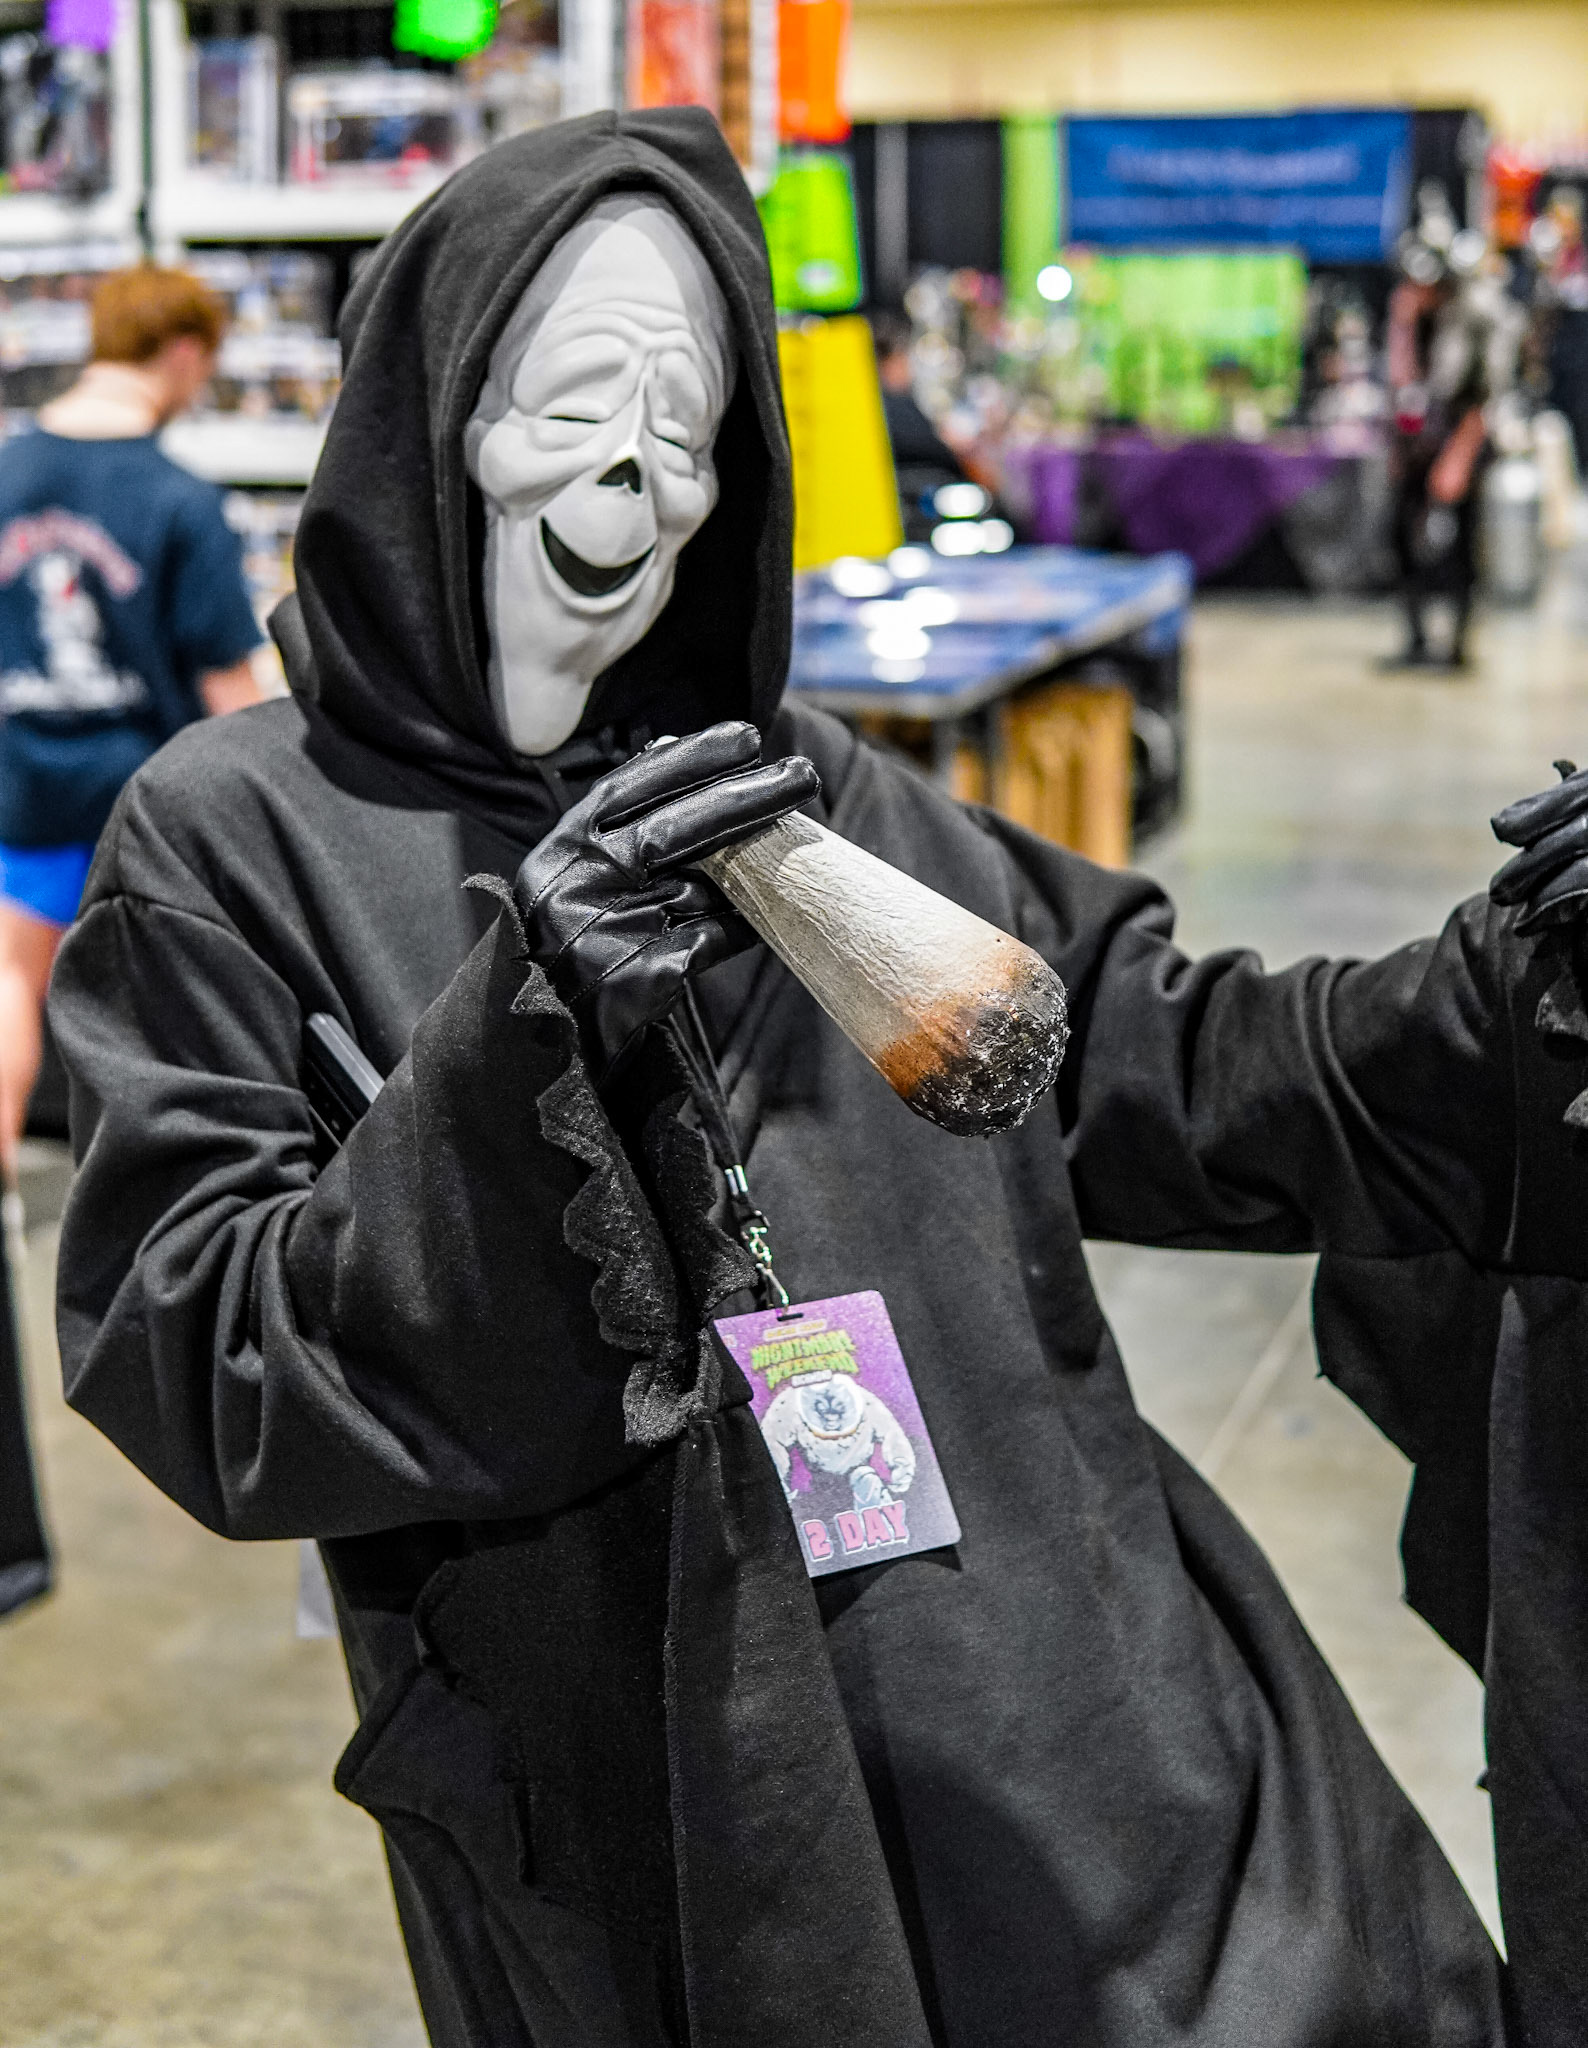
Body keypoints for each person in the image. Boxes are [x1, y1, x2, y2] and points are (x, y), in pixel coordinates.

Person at [43, 112, 1588, 2046]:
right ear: (429, 423)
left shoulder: (807, 794)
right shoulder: (237, 838)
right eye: (569, 404)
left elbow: (1164, 1056)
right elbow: (202, 1349)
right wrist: (514, 1054)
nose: (631, 472)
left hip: (1072, 1714)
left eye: (685, 424)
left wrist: (1506, 988)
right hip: (665, 1789)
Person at [0, 263, 263, 1178]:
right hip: (144, 802)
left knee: (11, 982)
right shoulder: (178, 498)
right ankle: (145, 1207)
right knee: (150, 1016)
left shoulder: (6, 472)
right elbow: (229, 688)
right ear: (184, 352)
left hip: (25, 782)